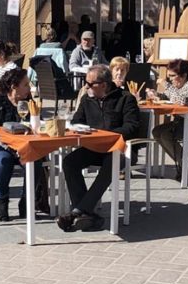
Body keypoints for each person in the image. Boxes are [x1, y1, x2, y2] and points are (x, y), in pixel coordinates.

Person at [56, 65, 141, 232]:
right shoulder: (87, 99)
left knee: (111, 163)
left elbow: (132, 127)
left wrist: (106, 135)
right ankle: (86, 215)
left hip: (120, 149)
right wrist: (82, 130)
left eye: (90, 84)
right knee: (69, 162)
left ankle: (78, 211)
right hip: (94, 148)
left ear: (103, 85)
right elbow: (76, 122)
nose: (86, 86)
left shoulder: (125, 98)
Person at [0, 69, 47, 221]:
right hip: (0, 147)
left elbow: (37, 123)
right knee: (3, 161)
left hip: (23, 147)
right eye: (25, 85)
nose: (29, 88)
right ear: (13, 86)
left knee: (35, 162)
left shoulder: (29, 102)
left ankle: (26, 203)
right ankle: (2, 200)